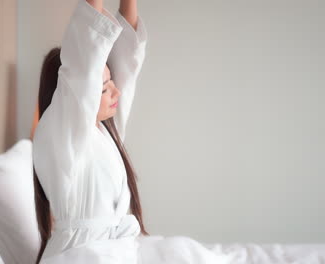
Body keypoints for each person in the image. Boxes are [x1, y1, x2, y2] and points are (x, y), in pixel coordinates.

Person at [32, 0, 231, 263]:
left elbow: (127, 57)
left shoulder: (103, 132)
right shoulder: (61, 131)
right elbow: (83, 59)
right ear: (76, 93)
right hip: (81, 255)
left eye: (111, 80)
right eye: (103, 88)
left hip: (112, 250)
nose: (116, 91)